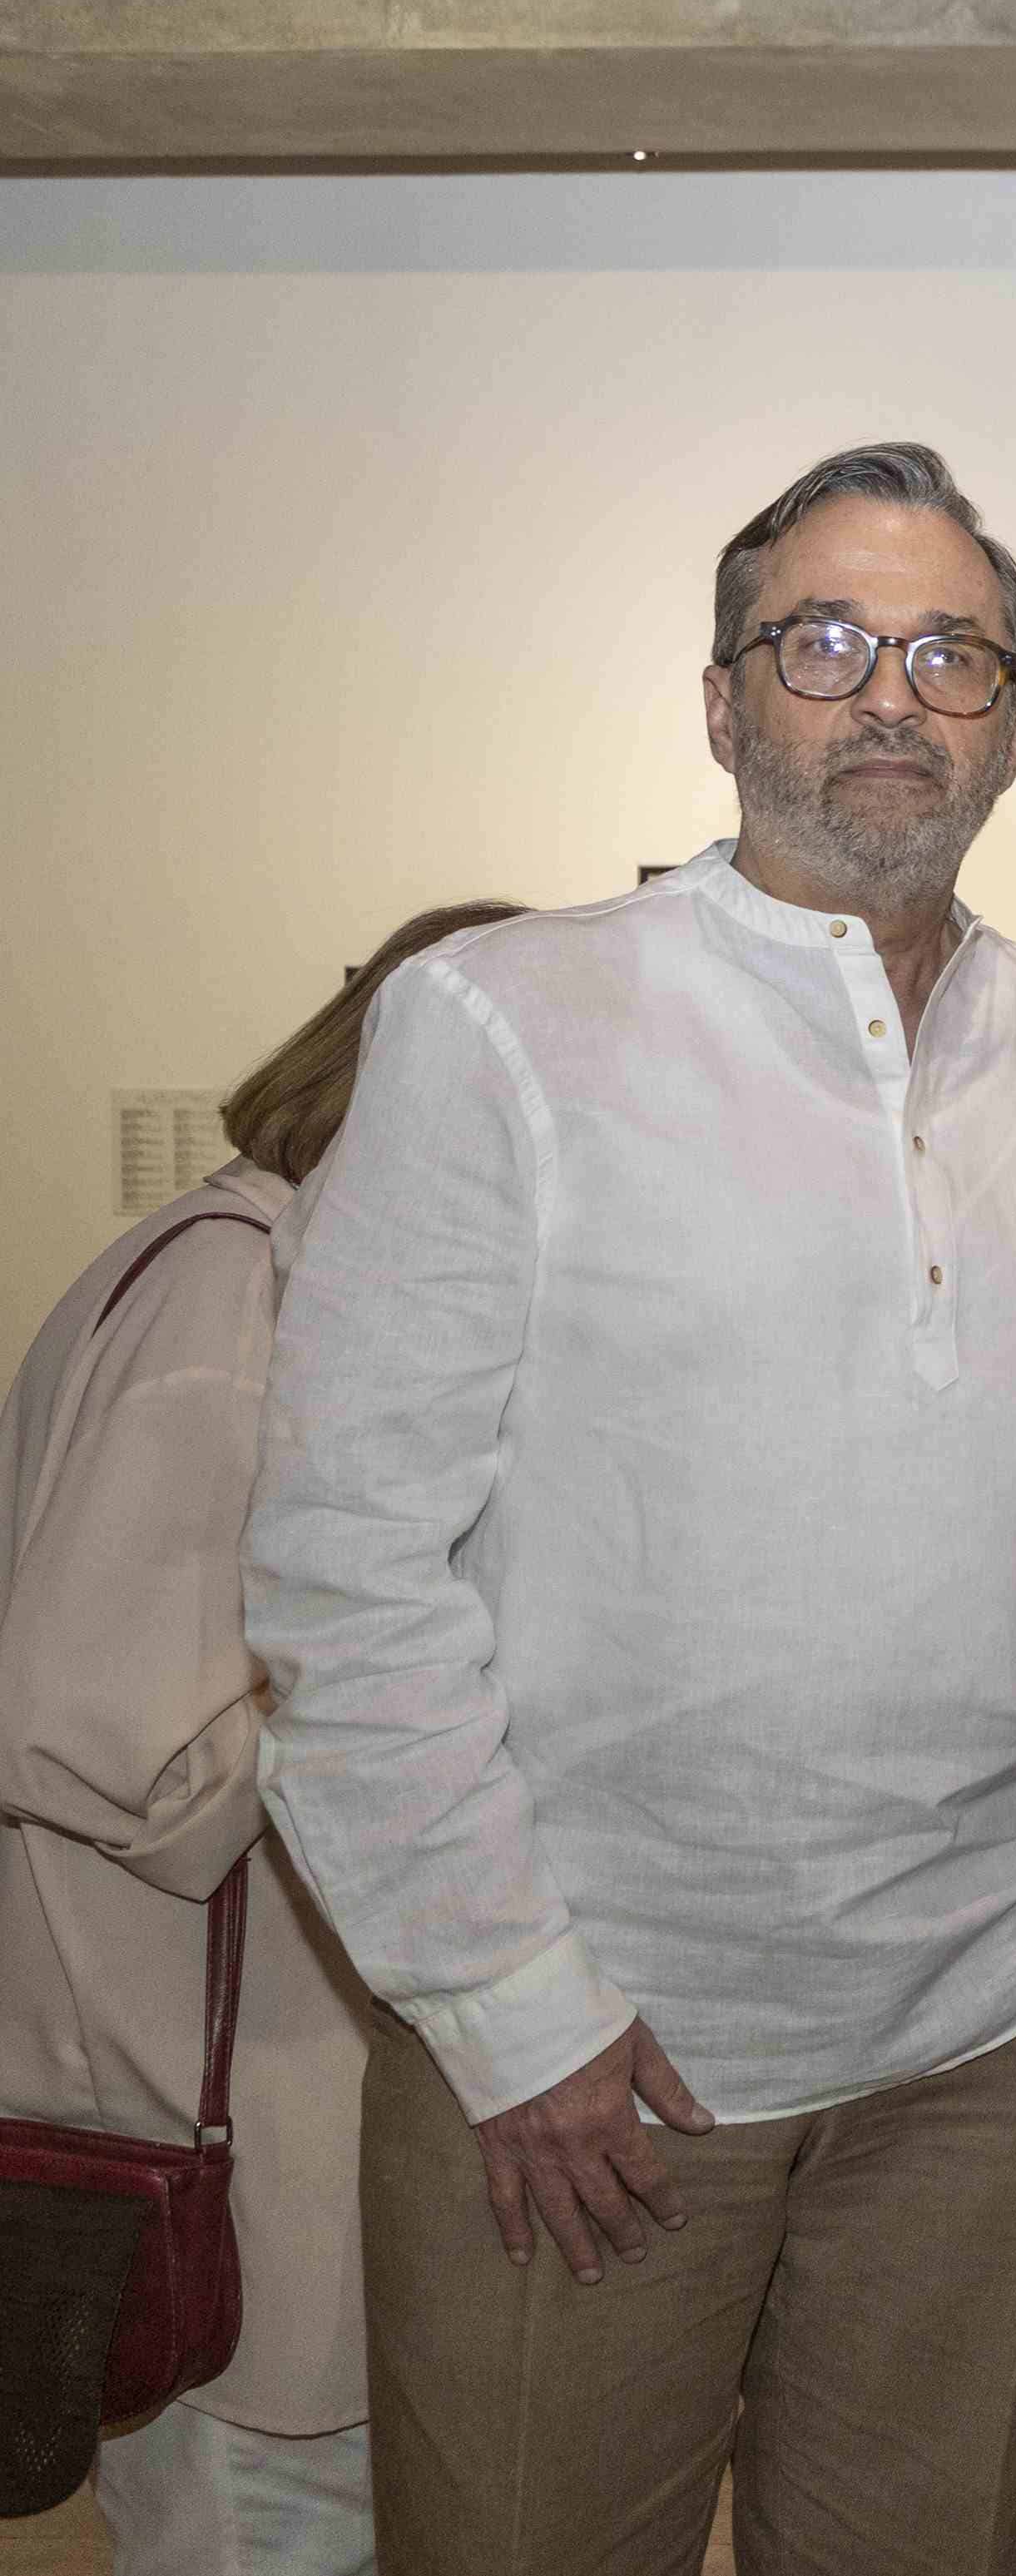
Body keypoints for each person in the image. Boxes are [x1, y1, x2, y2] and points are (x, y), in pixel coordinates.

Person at [244, 443, 1016, 2576]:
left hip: (1000, 2033)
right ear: (723, 700)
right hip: (594, 2056)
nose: (892, 693)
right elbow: (344, 1565)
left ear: (1015, 724)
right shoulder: (503, 1024)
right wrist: (509, 2000)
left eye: (952, 654)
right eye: (827, 643)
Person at [1, 900, 513, 2574]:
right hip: (213, 2132)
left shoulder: (277, 1275)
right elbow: (115, 1743)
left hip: (261, 2126)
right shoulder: (236, 1289)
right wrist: (435, 1681)